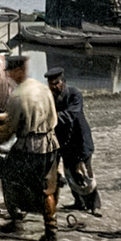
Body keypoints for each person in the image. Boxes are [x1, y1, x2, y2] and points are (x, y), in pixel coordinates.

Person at [0, 55, 60, 241]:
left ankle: (16, 220)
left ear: (19, 71)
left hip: (29, 148)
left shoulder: (18, 96)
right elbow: (54, 117)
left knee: (8, 177)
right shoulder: (43, 88)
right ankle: (51, 231)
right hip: (50, 144)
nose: (8, 76)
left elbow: (8, 132)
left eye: (10, 72)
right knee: (47, 189)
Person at [45, 67, 102, 215]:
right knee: (69, 171)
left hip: (80, 139)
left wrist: (50, 118)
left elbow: (72, 114)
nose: (54, 87)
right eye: (51, 84)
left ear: (63, 82)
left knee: (85, 172)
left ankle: (94, 205)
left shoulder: (74, 94)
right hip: (63, 141)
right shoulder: (50, 98)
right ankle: (79, 202)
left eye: (56, 83)